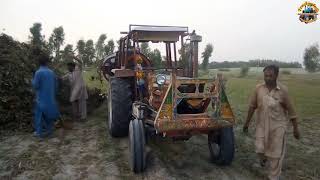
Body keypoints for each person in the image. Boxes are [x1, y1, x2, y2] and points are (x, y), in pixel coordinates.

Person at [243, 65, 300, 180]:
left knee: (275, 154)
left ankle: (273, 177)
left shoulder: (283, 91)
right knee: (260, 148)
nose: (268, 78)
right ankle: (263, 159)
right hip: (261, 125)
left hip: (278, 127)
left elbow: (291, 110)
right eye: (266, 76)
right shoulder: (258, 89)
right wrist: (246, 123)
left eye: (270, 76)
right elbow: (252, 107)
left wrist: (295, 128)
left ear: (276, 76)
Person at [32, 52, 60, 138]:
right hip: (50, 99)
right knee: (49, 116)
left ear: (39, 62)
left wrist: (31, 81)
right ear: (47, 62)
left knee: (39, 116)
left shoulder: (38, 73)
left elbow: (36, 86)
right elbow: (56, 86)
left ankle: (39, 133)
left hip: (41, 99)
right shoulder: (51, 72)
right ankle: (50, 131)